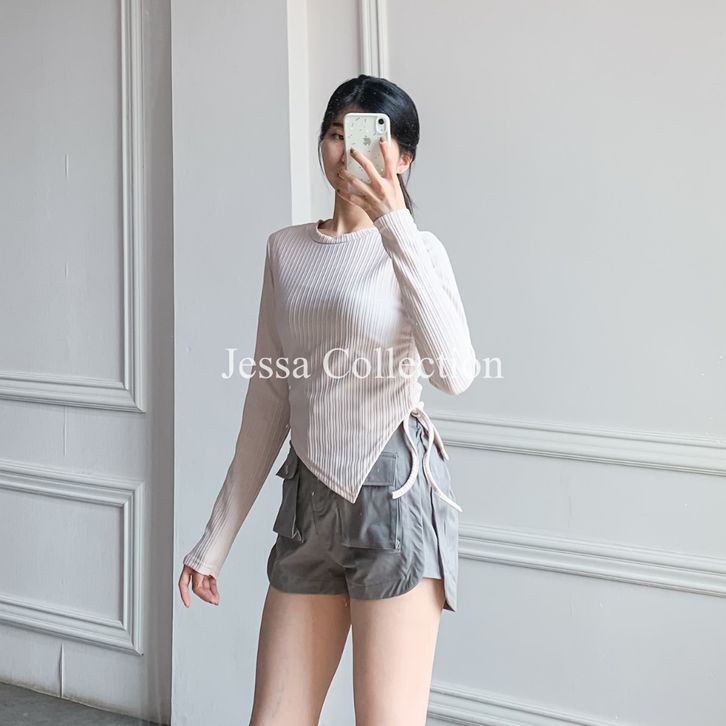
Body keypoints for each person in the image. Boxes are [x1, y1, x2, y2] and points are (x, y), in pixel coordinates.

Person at [178, 75, 477, 725]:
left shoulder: (419, 250)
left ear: (403, 157)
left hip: (393, 497)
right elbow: (269, 397)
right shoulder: (286, 250)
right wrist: (214, 541)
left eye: (368, 136)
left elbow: (454, 372)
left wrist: (394, 224)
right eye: (336, 134)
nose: (348, 151)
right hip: (306, 501)